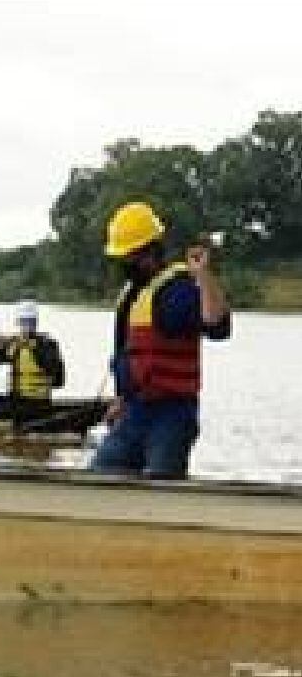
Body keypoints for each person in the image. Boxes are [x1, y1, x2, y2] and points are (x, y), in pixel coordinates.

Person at [92, 201, 231, 480]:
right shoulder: (132, 295)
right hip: (133, 412)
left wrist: (203, 275)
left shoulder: (177, 291)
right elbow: (126, 355)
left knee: (163, 486)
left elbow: (217, 326)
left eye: (128, 257)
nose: (123, 264)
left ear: (149, 252)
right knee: (101, 478)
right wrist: (120, 400)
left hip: (171, 415)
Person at [0, 301, 64, 403]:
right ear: (18, 323)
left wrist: (35, 348)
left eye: (30, 322)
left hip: (39, 400)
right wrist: (2, 347)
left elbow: (55, 374)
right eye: (23, 322)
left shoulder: (47, 343)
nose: (26, 327)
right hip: (17, 398)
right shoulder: (15, 342)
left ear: (35, 323)